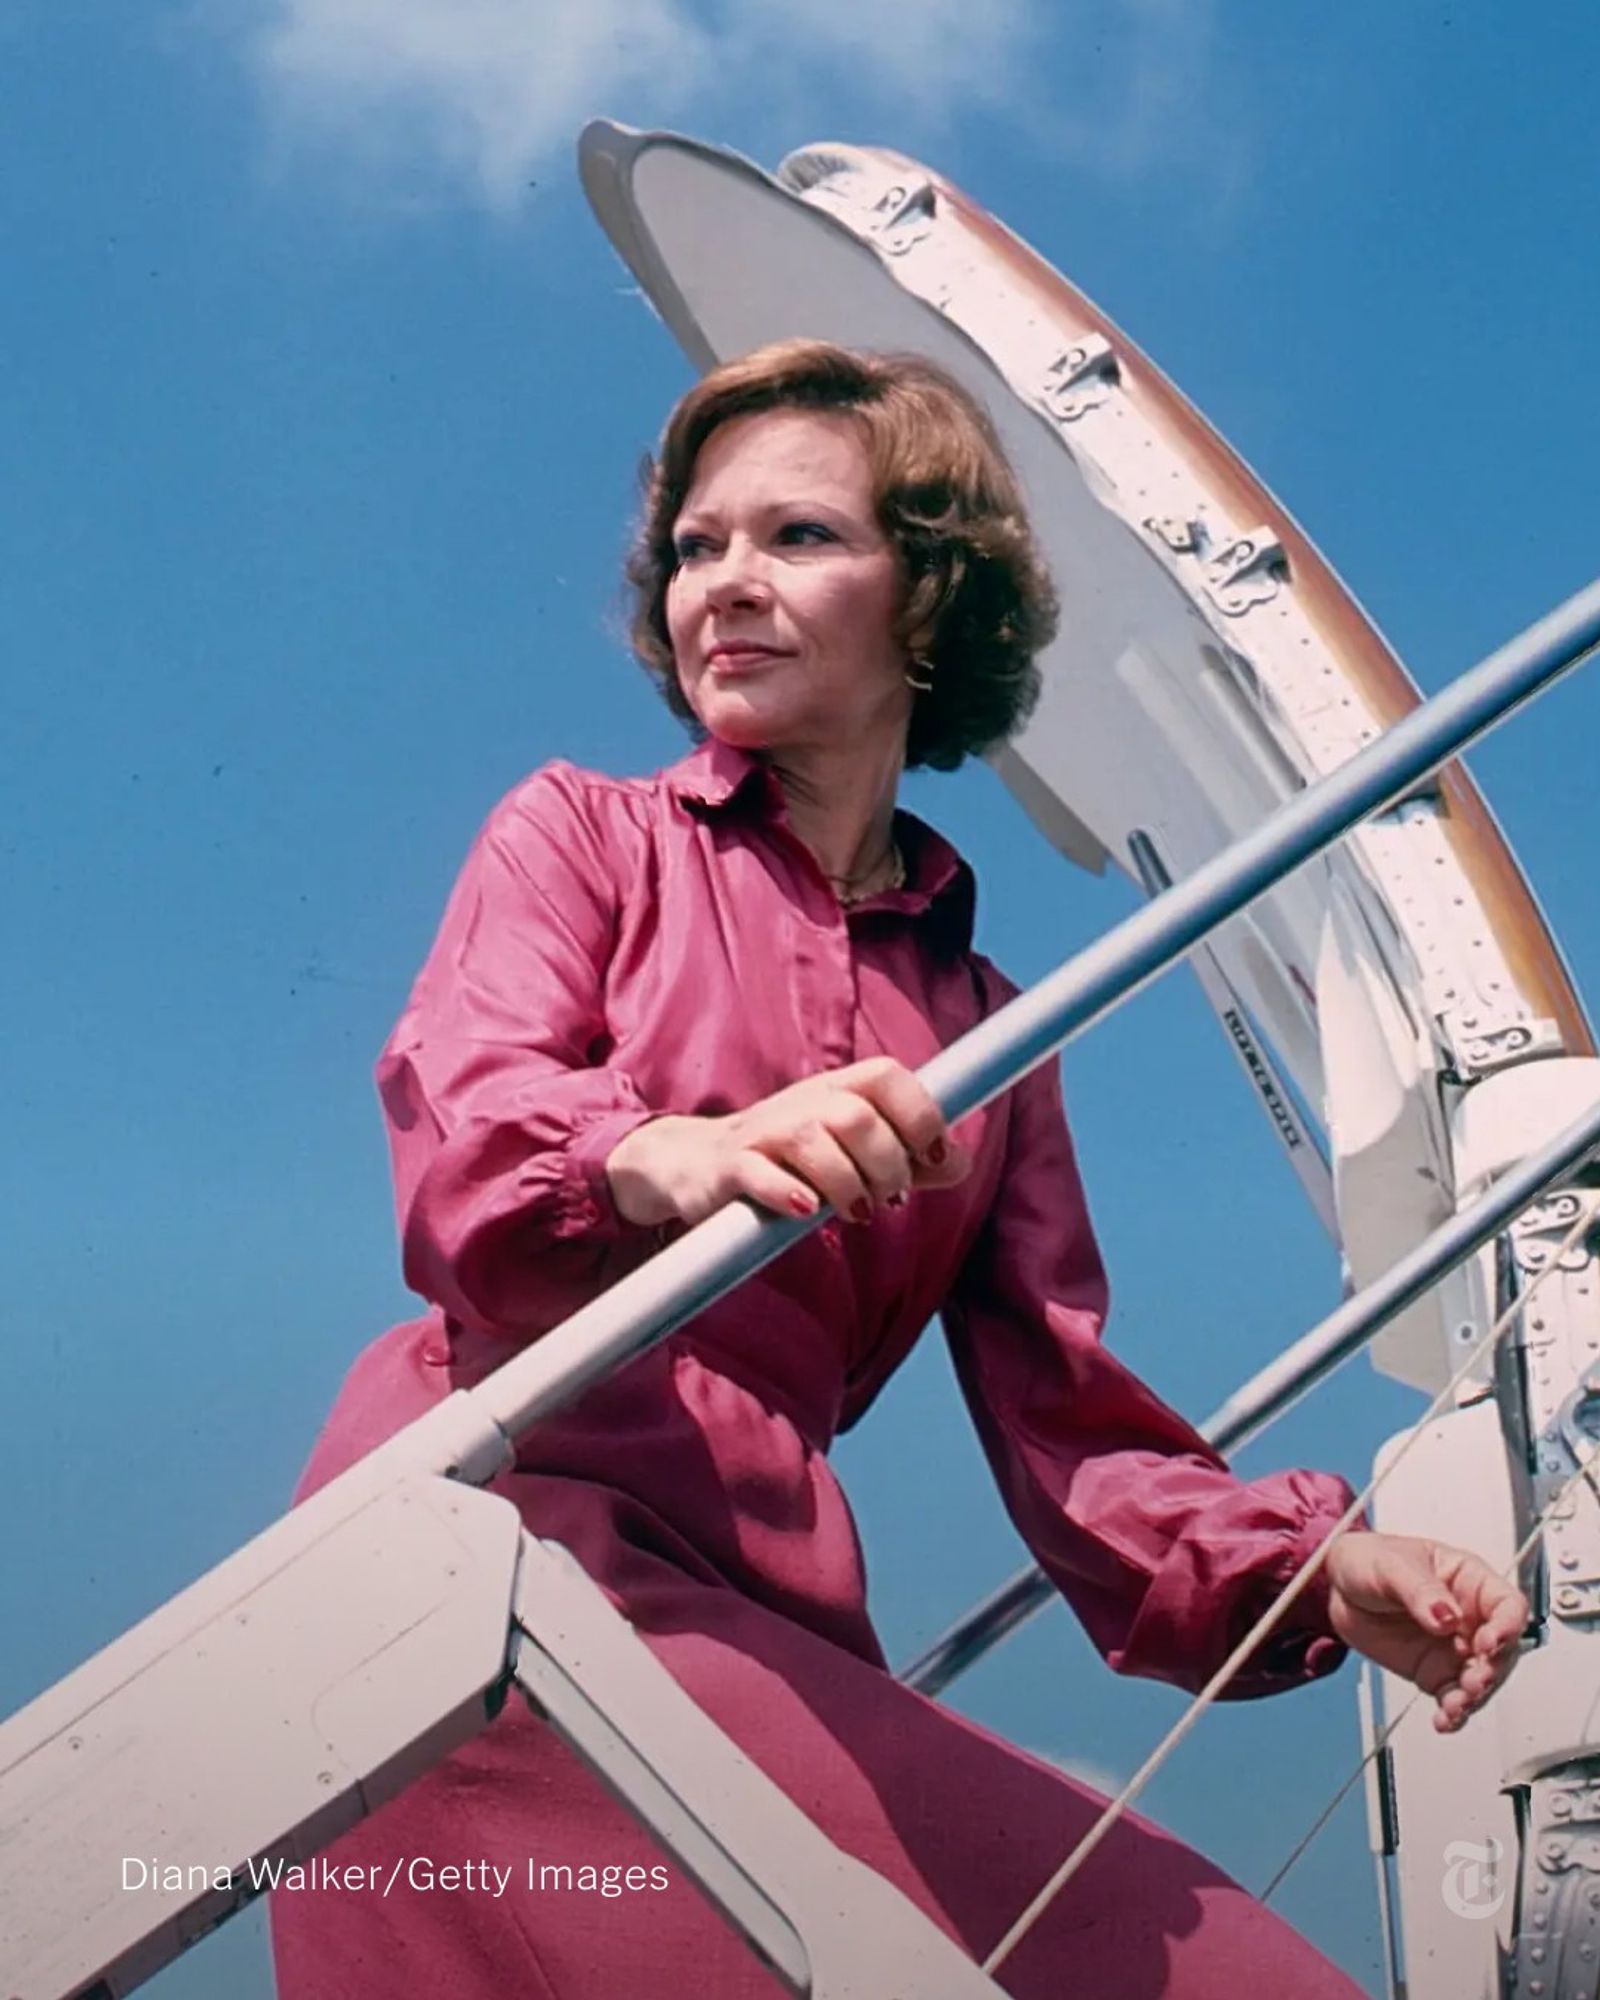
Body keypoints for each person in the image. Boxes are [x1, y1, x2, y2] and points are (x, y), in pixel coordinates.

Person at [270, 339, 1526, 1998]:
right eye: (696, 549)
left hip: (769, 1621)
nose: (722, 584)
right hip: (501, 1552)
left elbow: (1071, 1430)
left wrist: (1308, 1567)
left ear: (929, 602)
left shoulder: (993, 1033)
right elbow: (464, 1113)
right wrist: (666, 1150)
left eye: (796, 539)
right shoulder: (581, 833)